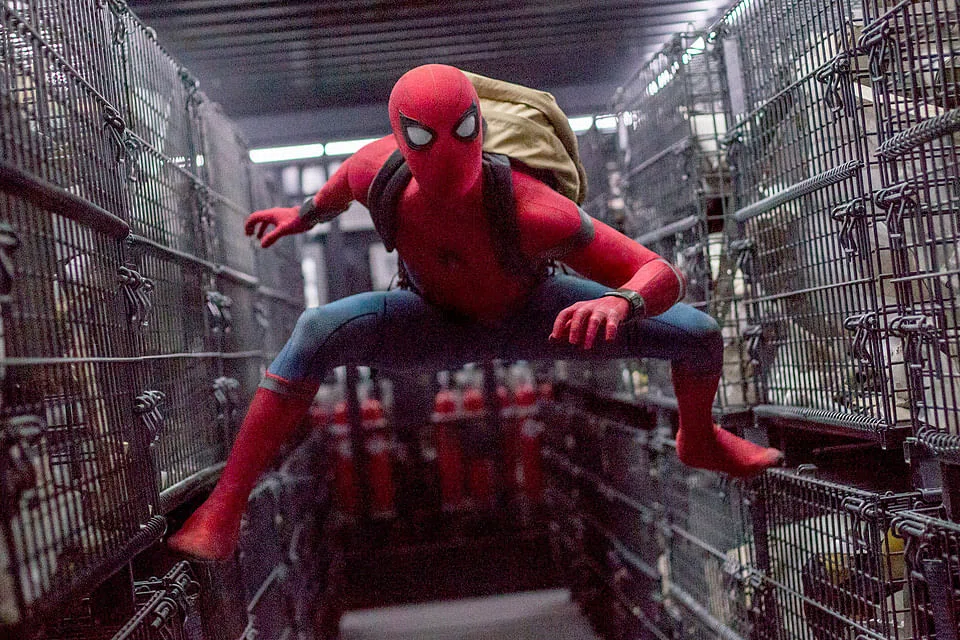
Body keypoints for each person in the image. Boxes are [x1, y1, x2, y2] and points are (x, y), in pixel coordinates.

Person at [168, 64, 782, 560]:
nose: (447, 153)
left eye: (463, 131)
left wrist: (620, 301)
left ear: (480, 127)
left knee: (698, 334)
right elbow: (336, 190)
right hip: (431, 321)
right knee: (314, 330)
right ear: (401, 138)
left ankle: (699, 437)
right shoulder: (375, 172)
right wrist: (297, 217)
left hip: (540, 315)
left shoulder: (534, 210)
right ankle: (225, 506)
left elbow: (660, 273)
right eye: (423, 138)